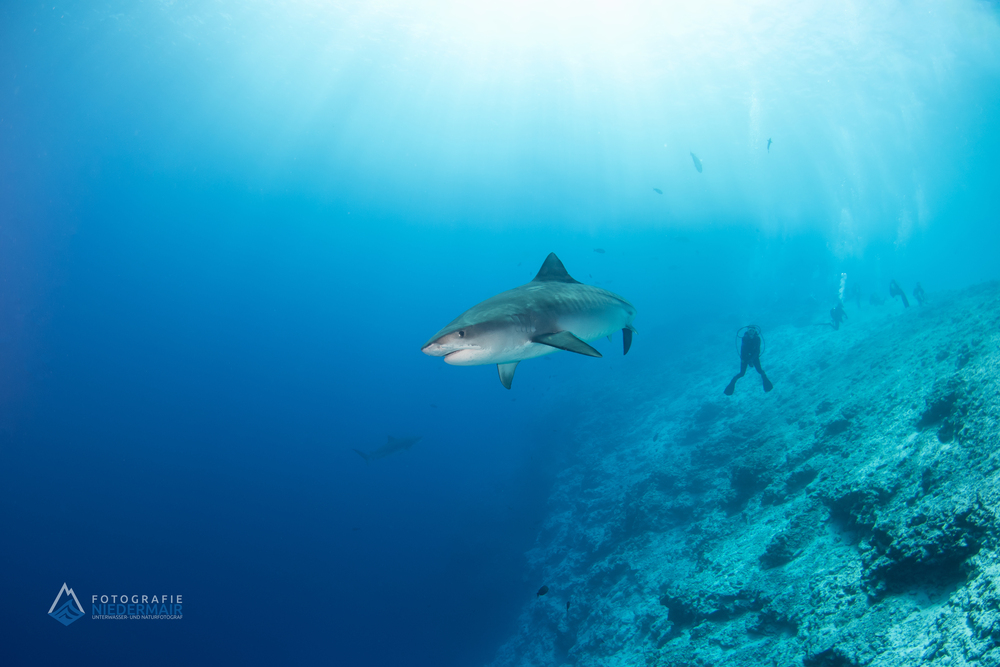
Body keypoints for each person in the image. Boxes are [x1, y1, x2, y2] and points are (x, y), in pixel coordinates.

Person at [724, 326, 773, 396]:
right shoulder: (744, 338)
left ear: (755, 332)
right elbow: (743, 350)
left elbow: (757, 351)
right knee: (742, 373)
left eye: (753, 330)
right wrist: (745, 360)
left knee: (760, 371)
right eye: (750, 330)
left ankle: (767, 385)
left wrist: (752, 360)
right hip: (745, 358)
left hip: (754, 357)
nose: (751, 332)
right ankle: (732, 383)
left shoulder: (757, 338)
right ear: (747, 331)